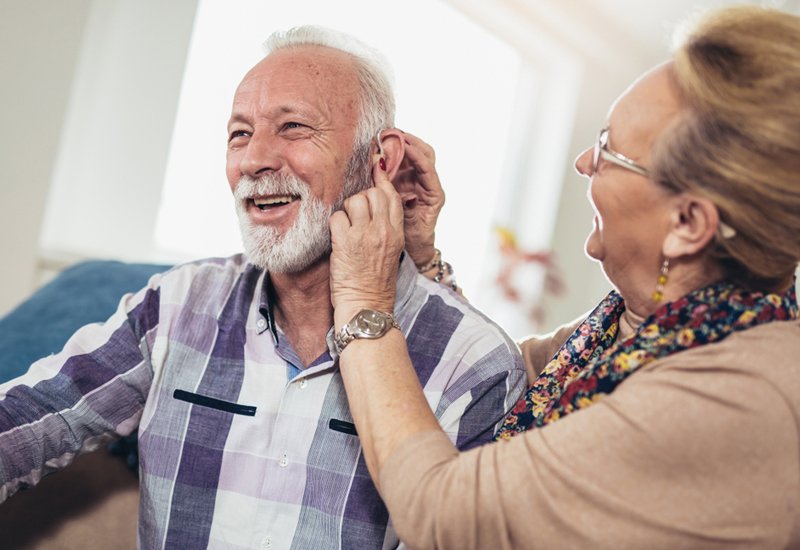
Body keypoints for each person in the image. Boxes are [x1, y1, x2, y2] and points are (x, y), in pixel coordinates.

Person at [0, 26, 526, 549]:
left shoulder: (475, 364)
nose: (254, 160)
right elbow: (32, 417)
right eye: (239, 134)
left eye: (294, 127)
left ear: (380, 160)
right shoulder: (178, 302)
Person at [329, 5, 800, 549]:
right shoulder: (638, 330)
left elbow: (447, 511)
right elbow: (497, 380)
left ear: (688, 223)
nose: (583, 162)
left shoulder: (735, 399)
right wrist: (422, 257)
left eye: (609, 150)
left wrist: (364, 303)